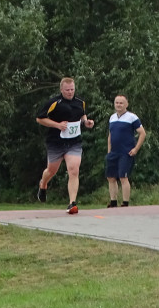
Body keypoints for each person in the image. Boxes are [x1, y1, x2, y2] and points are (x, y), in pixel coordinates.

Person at [36, 77, 94, 214]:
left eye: (72, 89)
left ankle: (72, 203)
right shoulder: (54, 102)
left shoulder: (81, 102)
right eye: (67, 90)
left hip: (74, 142)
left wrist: (86, 122)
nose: (70, 92)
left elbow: (82, 116)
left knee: (74, 170)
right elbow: (39, 118)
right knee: (51, 171)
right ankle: (43, 184)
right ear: (61, 89)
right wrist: (57, 125)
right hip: (56, 142)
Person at [105, 94, 146, 207]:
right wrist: (109, 151)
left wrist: (136, 149)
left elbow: (142, 133)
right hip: (113, 152)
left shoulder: (132, 117)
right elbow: (110, 135)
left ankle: (125, 202)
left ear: (126, 104)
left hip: (126, 152)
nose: (118, 105)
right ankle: (113, 201)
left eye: (121, 103)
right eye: (117, 102)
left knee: (123, 176)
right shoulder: (112, 117)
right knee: (111, 177)